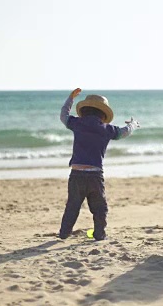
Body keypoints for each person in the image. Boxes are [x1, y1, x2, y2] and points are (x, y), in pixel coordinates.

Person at [57, 88, 140, 241]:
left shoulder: (77, 123)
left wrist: (70, 98)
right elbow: (124, 132)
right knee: (100, 208)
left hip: (76, 174)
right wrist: (133, 124)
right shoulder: (107, 129)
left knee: (72, 207)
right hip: (95, 175)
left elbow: (63, 115)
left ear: (85, 110)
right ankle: (99, 235)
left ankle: (63, 234)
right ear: (103, 114)